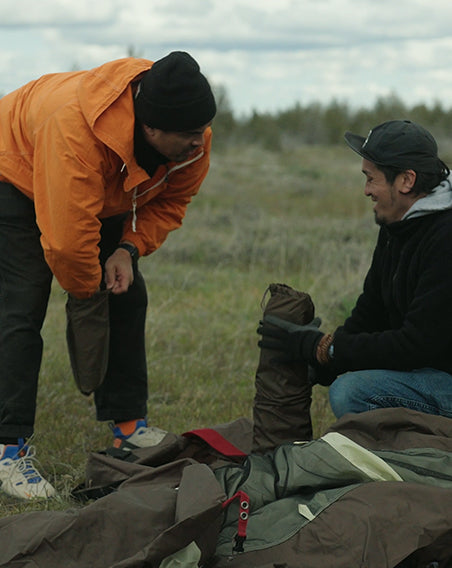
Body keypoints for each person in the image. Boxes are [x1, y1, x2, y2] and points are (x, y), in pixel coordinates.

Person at [0, 51, 216, 499]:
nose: (200, 143)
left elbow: (171, 204)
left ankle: (129, 428)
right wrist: (86, 296)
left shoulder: (191, 136)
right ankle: (8, 451)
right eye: (189, 135)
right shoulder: (75, 129)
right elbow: (64, 241)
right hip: (13, 170)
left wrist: (126, 249)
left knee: (127, 291)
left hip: (96, 187)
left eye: (202, 132)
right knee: (21, 306)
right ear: (151, 128)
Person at [258, 119, 452, 422]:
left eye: (371, 178)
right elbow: (371, 312)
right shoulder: (398, 224)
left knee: (352, 392)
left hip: (443, 373)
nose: (366, 191)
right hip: (432, 369)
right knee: (348, 378)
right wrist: (326, 359)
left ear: (406, 181)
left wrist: (328, 349)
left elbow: (416, 345)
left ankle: (423, 464)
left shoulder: (445, 237)